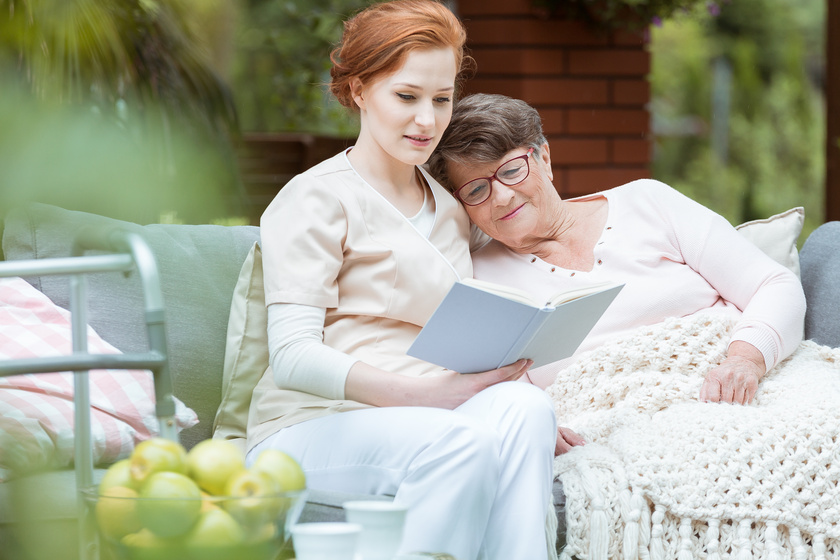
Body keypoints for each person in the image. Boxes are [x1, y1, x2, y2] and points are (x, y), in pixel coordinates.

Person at [245, 4, 557, 559]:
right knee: (460, 441)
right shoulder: (316, 198)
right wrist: (426, 397)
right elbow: (292, 355)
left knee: (526, 410)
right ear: (360, 91)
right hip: (313, 424)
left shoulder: (449, 206)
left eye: (442, 99)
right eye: (406, 97)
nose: (427, 120)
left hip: (423, 419)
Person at [427, 93, 806, 452]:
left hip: (739, 383)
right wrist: (538, 426)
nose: (503, 196)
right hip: (613, 428)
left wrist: (746, 359)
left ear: (544, 158)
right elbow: (499, 391)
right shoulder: (481, 281)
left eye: (512, 170)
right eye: (476, 190)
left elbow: (774, 284)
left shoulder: (648, 201)